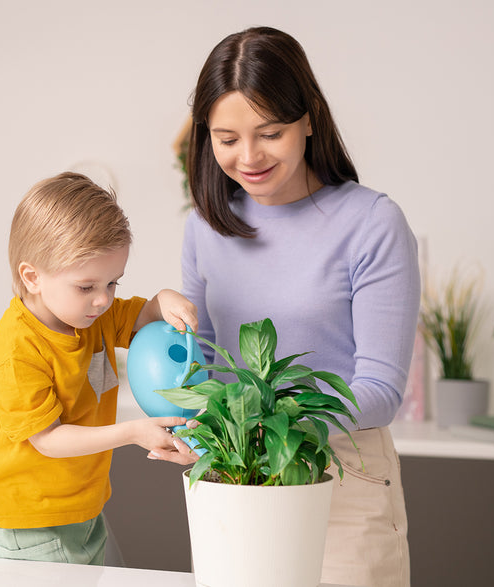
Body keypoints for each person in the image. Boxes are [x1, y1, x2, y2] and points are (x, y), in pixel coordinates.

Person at [180, 27, 420, 587]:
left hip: (344, 478)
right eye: (227, 138)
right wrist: (192, 432)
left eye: (270, 133)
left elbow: (382, 392)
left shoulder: (372, 223)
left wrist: (269, 429)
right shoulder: (204, 227)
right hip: (233, 482)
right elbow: (204, 367)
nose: (249, 157)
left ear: (309, 118)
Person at [0, 172, 197, 565]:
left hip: (79, 504)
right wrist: (132, 432)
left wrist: (165, 299)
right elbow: (48, 440)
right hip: (30, 518)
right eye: (86, 286)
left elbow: (143, 314)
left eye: (113, 283)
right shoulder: (15, 354)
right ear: (32, 276)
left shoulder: (95, 317)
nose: (103, 300)